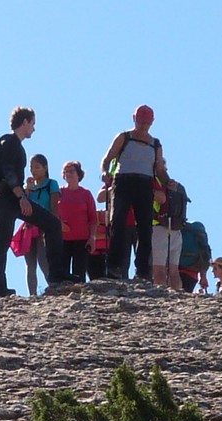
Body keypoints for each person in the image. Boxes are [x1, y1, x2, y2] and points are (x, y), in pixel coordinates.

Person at [0, 106, 63, 298]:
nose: (34, 128)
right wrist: (21, 197)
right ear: (24, 122)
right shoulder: (10, 142)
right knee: (3, 238)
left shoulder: (13, 144)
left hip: (8, 198)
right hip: (7, 199)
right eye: (32, 123)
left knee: (46, 225)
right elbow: (8, 171)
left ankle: (55, 276)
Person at [100, 104, 164, 284]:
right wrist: (105, 172)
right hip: (123, 181)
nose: (143, 126)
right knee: (118, 223)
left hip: (145, 184)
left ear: (152, 122)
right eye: (141, 122)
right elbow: (108, 158)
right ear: (134, 119)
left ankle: (143, 271)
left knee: (145, 228)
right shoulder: (124, 137)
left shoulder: (155, 144)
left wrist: (168, 182)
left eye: (146, 123)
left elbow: (159, 169)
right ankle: (114, 267)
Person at [19, 154, 59, 295]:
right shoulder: (28, 187)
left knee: (43, 260)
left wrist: (53, 225)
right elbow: (22, 206)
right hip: (29, 227)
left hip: (44, 226)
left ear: (45, 168)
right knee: (30, 264)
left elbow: (54, 206)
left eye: (37, 167)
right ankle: (32, 295)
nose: (33, 170)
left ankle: (53, 289)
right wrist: (27, 190)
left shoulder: (51, 184)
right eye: (31, 167)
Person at [54, 161, 98, 285]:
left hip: (82, 239)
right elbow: (51, 211)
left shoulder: (86, 194)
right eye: (66, 171)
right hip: (62, 239)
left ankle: (80, 295)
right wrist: (59, 223)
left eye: (71, 171)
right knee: (62, 272)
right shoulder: (58, 192)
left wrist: (92, 238)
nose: (68, 174)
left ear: (79, 174)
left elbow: (93, 218)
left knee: (79, 273)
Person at [155, 174, 191, 291]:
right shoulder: (177, 186)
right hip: (176, 229)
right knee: (174, 270)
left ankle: (160, 292)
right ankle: (177, 292)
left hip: (159, 229)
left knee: (159, 268)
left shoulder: (157, 185)